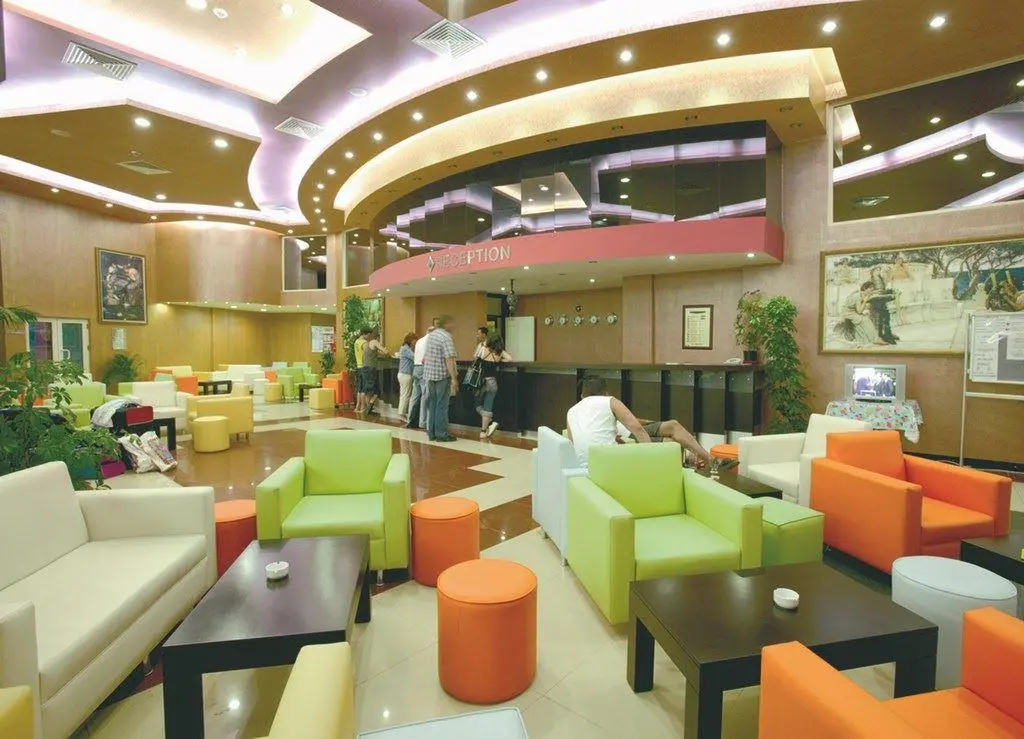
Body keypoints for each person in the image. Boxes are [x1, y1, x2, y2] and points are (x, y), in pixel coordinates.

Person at [566, 374, 711, 470]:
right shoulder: (609, 401)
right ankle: (708, 460)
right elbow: (638, 429)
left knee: (672, 429)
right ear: (605, 392)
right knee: (671, 441)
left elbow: (572, 445)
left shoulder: (571, 412)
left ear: (582, 395)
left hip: (587, 464)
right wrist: (650, 461)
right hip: (613, 457)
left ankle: (706, 460)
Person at [423, 314, 459, 442]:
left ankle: (431, 433)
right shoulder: (446, 337)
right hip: (442, 376)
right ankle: (441, 434)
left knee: (432, 404)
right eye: (451, 323)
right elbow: (449, 359)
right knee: (441, 405)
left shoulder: (431, 335)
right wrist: (454, 379)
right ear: (446, 324)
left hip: (429, 375)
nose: (453, 326)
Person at [475, 334, 511, 439]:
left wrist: (483, 345)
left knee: (477, 404)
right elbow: (510, 358)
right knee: (488, 406)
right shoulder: (500, 352)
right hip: (492, 383)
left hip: (481, 382)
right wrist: (500, 360)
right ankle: (483, 432)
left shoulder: (484, 349)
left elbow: (475, 358)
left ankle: (488, 420)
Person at [405, 324, 434, 429]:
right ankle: (423, 422)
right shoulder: (430, 341)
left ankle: (410, 419)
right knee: (425, 396)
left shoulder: (419, 341)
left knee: (414, 396)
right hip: (424, 368)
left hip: (416, 368)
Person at [358, 329, 389, 415]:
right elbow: (385, 352)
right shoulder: (374, 342)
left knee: (368, 389)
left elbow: (376, 354)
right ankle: (370, 407)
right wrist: (386, 352)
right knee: (374, 390)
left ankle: (369, 409)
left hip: (364, 368)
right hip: (371, 368)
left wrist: (380, 353)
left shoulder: (365, 345)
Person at [396, 332, 417, 421]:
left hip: (403, 374)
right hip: (405, 374)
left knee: (404, 394)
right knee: (405, 395)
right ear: (411, 340)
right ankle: (402, 414)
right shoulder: (406, 349)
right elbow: (415, 357)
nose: (416, 342)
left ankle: (401, 413)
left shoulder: (405, 348)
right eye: (415, 340)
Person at [353, 327, 370, 413]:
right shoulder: (364, 343)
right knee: (364, 389)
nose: (369, 337)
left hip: (358, 366)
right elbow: (368, 354)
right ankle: (363, 407)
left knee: (359, 389)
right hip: (364, 367)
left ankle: (357, 407)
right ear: (365, 334)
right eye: (369, 335)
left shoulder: (356, 341)